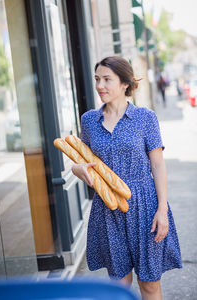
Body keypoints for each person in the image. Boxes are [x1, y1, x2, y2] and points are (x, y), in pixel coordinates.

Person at [72, 56, 182, 300]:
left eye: (107, 79)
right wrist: (77, 170)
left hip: (145, 205)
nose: (100, 85)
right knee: (119, 285)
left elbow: (158, 165)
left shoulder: (145, 118)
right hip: (108, 208)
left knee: (150, 284)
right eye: (97, 79)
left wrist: (162, 210)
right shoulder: (89, 120)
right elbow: (82, 159)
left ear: (124, 83)